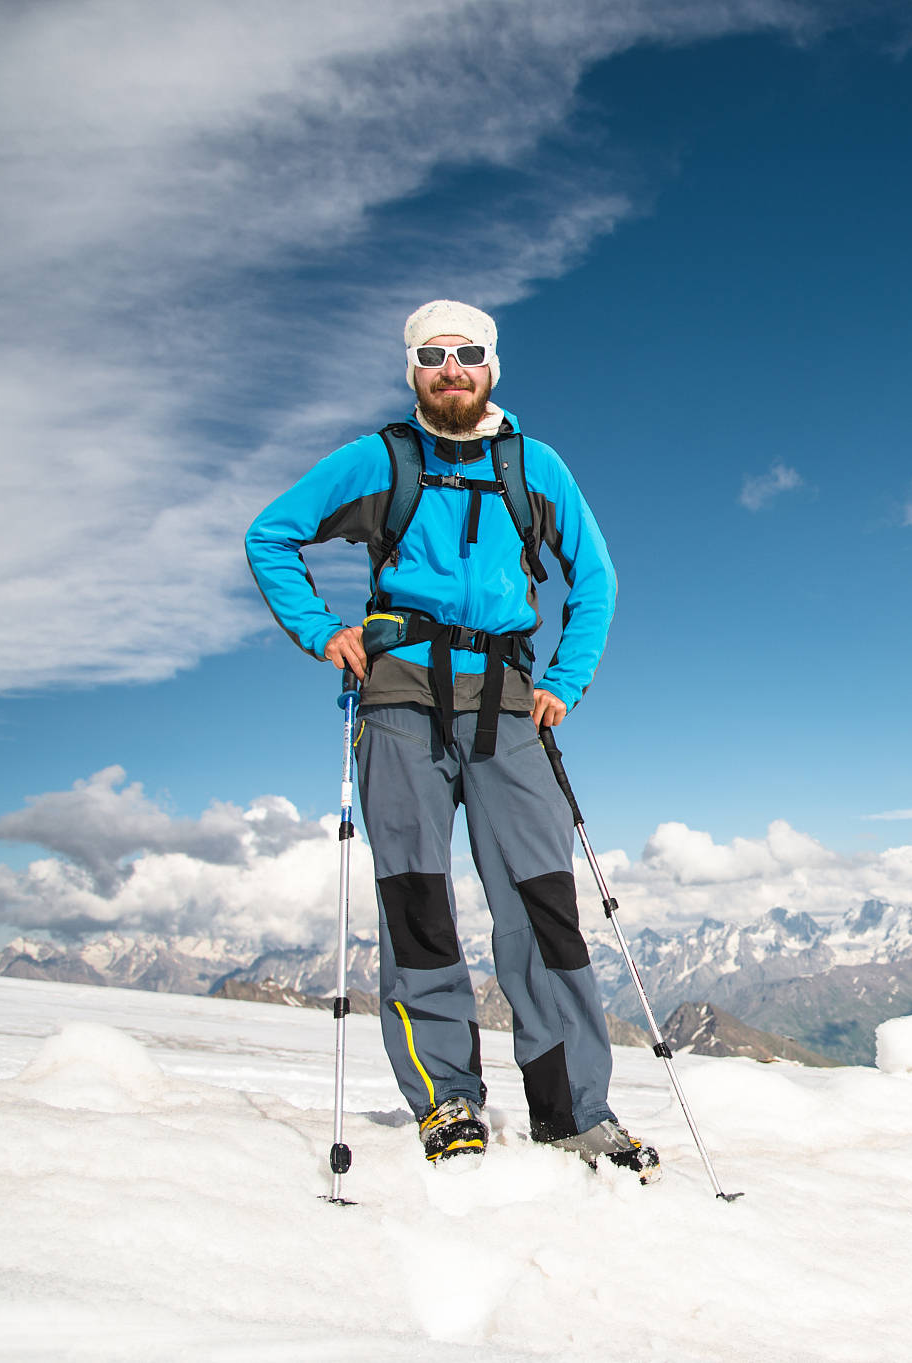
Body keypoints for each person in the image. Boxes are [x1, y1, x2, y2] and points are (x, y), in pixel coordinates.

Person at [246, 299, 654, 1177]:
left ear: (493, 367)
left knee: (543, 907)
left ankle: (576, 1112)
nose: (452, 369)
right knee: (417, 905)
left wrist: (564, 682)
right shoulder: (380, 460)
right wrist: (323, 631)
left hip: (510, 708)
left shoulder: (533, 467)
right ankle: (447, 1103)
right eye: (433, 356)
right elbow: (271, 535)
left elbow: (598, 580)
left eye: (469, 353)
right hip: (396, 702)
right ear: (413, 371)